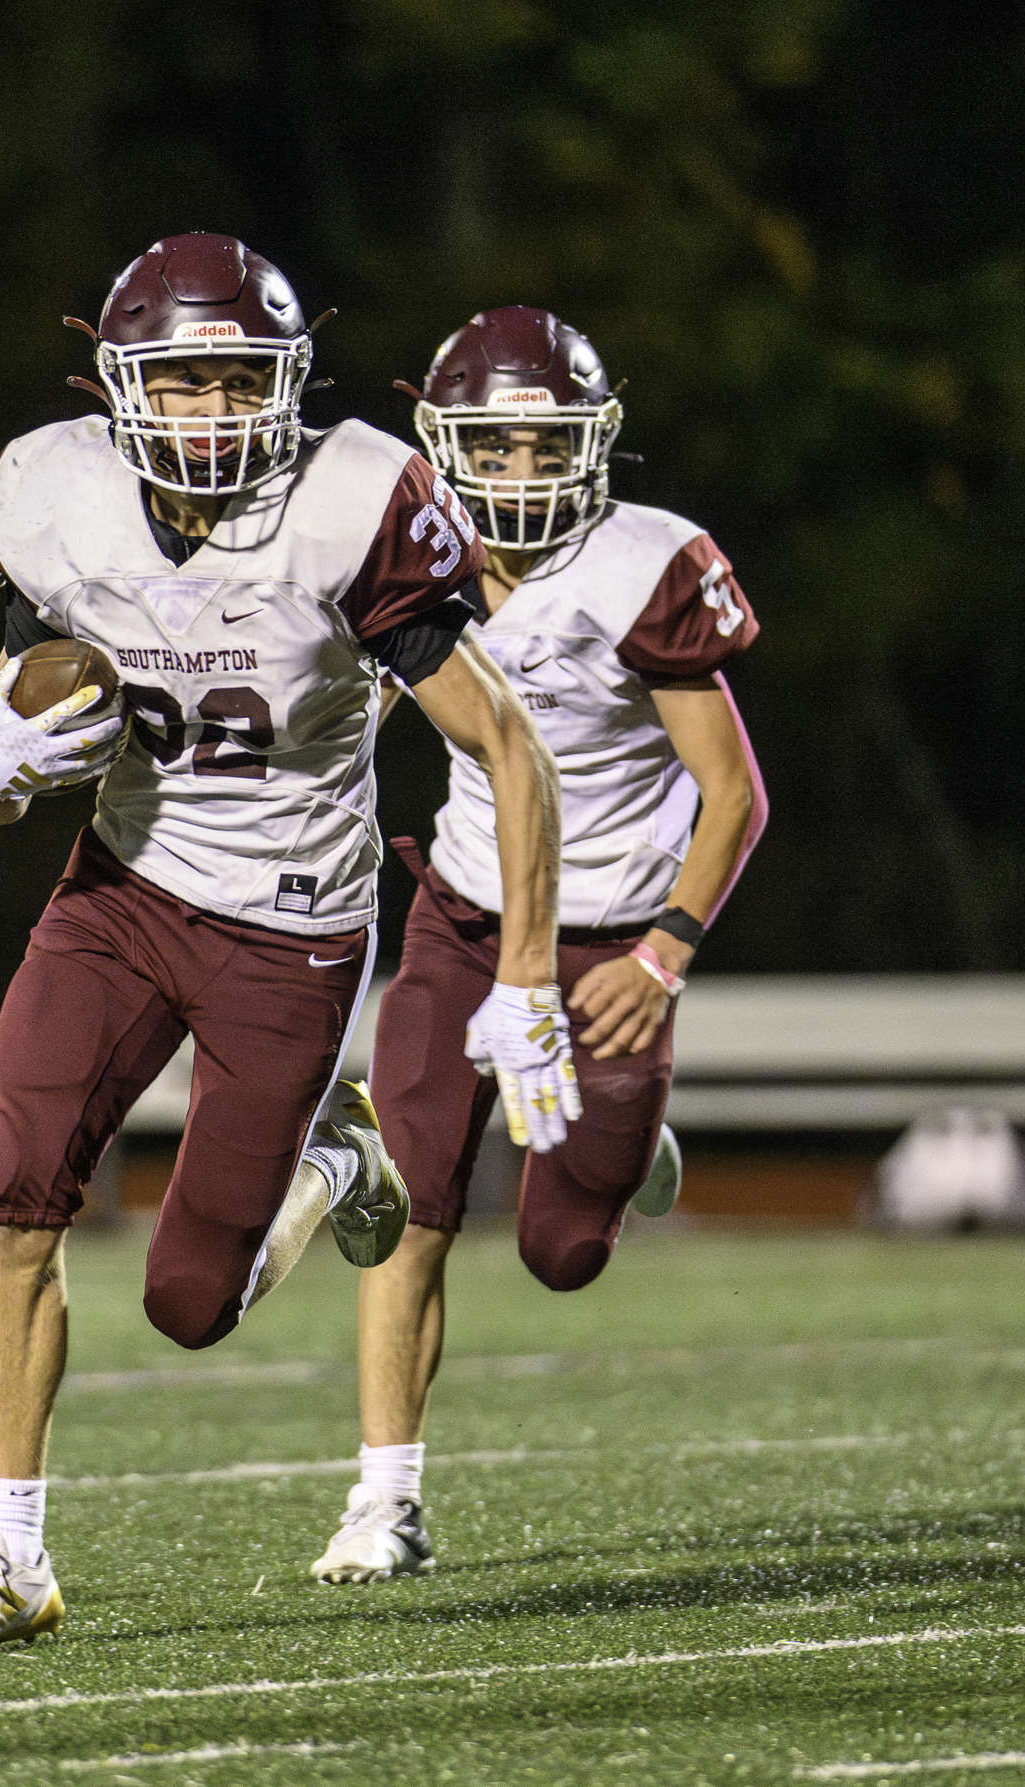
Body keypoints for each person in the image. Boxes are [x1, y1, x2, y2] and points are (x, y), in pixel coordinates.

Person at [0, 240, 579, 1653]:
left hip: (292, 923)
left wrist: (525, 972)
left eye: (238, 380)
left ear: (285, 385)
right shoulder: (48, 489)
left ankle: (340, 1152)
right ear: (118, 387)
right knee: (11, 1182)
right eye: (183, 381)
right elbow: (17, 724)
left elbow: (508, 745)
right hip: (125, 888)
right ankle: (10, 1555)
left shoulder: (351, 498)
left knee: (190, 1300)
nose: (210, 412)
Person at [312, 305, 768, 1584]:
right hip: (467, 910)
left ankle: (627, 1156)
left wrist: (665, 952)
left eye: (545, 445)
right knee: (413, 1197)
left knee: (564, 1255)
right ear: (446, 446)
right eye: (495, 449)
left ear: (595, 441)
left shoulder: (647, 562)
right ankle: (384, 1501)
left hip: (618, 934)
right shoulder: (408, 554)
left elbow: (732, 792)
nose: (520, 474)